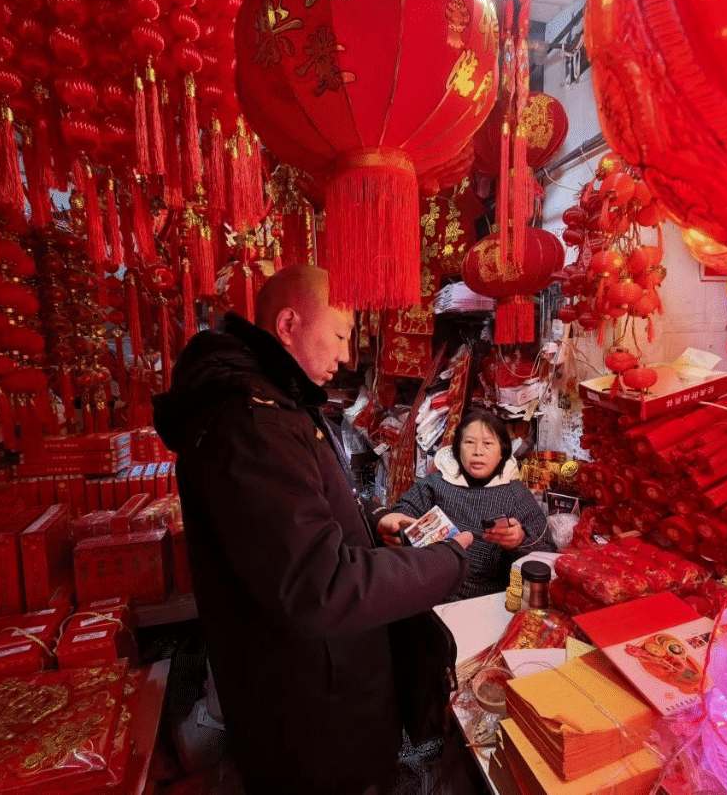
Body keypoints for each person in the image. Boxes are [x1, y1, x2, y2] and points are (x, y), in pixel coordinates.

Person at [152, 265, 472, 795]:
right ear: (288, 325)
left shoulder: (275, 403)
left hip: (317, 690)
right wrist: (446, 560)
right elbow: (319, 585)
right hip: (311, 716)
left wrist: (371, 524)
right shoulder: (255, 422)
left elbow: (294, 524)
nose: (347, 357)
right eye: (341, 336)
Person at [377, 409, 553, 601]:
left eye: (488, 443)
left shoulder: (516, 495)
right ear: (457, 449)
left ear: (502, 452)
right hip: (433, 589)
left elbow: (547, 552)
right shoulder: (437, 483)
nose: (478, 452)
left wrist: (520, 541)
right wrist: (400, 530)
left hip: (488, 600)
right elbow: (403, 511)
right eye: (469, 442)